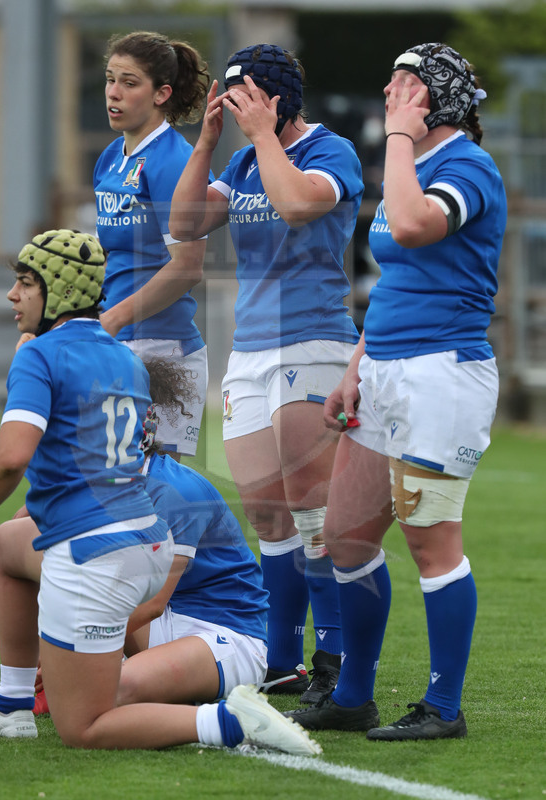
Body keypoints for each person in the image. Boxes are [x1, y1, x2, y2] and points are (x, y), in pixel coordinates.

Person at [0, 228, 320, 757]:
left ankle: (230, 722)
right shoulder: (121, 357)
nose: (13, 295)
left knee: (84, 723)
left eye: (26, 283)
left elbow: (13, 456)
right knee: (13, 544)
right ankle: (11, 707)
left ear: (56, 290)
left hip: (115, 564)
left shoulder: (47, 359)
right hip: (138, 546)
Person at [284, 43, 507, 740]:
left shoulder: (467, 164)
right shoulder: (412, 161)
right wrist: (357, 364)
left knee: (432, 544)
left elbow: (413, 226)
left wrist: (402, 138)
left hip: (441, 376)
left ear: (436, 96)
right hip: (384, 371)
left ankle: (444, 707)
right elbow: (395, 279)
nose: (387, 90)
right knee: (346, 536)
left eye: (404, 83)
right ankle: (353, 695)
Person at [169, 44, 364, 703]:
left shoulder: (328, 150)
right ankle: (279, 660)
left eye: (246, 98)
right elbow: (185, 223)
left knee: (313, 509)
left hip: (312, 340)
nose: (237, 109)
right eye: (230, 100)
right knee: (266, 512)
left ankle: (335, 656)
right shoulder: (245, 157)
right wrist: (207, 144)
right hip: (250, 350)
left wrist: (260, 136)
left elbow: (298, 206)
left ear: (277, 99)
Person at [0, 357, 270, 713]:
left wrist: (71, 649)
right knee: (16, 538)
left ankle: (227, 720)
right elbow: (27, 528)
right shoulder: (97, 476)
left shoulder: (173, 492)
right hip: (161, 616)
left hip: (221, 634)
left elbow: (152, 605)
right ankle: (24, 686)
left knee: (100, 695)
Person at [95, 31, 211, 459]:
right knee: (84, 493)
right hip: (113, 343)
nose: (114, 92)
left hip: (161, 352)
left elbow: (187, 268)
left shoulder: (173, 161)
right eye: (110, 79)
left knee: (149, 499)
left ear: (162, 93)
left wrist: (113, 319)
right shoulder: (110, 157)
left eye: (129, 82)